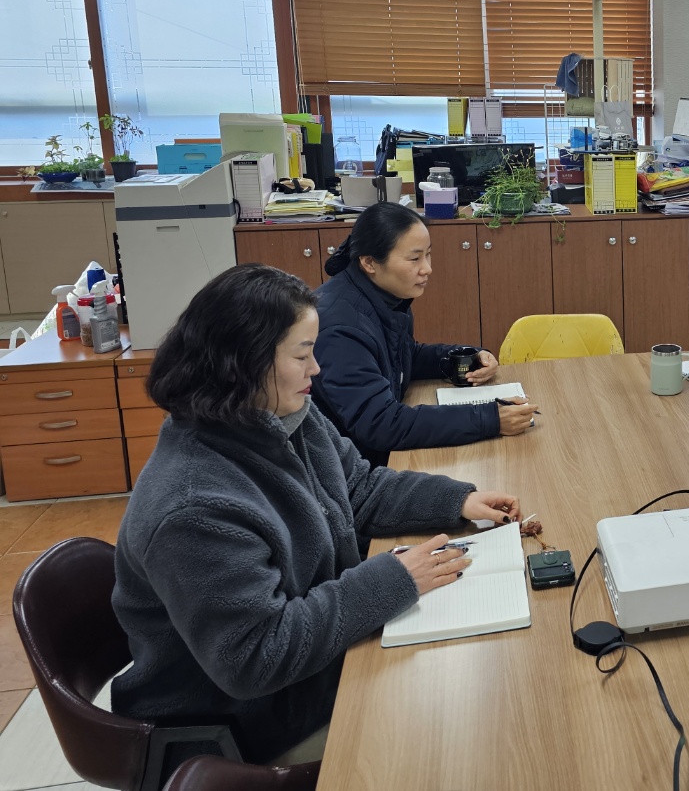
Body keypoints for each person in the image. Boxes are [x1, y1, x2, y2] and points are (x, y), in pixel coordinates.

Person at [112, 263, 527, 765]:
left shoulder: (281, 414)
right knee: (455, 732)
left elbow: (358, 488)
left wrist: (456, 500)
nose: (316, 370)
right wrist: (392, 580)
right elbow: (255, 657)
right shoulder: (192, 507)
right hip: (240, 727)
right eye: (302, 354)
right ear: (244, 363)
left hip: (311, 673)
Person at [313, 202, 536, 466]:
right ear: (369, 262)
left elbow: (403, 357)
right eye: (414, 259)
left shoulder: (383, 296)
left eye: (428, 255)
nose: (427, 268)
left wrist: (466, 359)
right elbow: (381, 424)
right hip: (352, 471)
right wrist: (490, 419)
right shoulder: (340, 329)